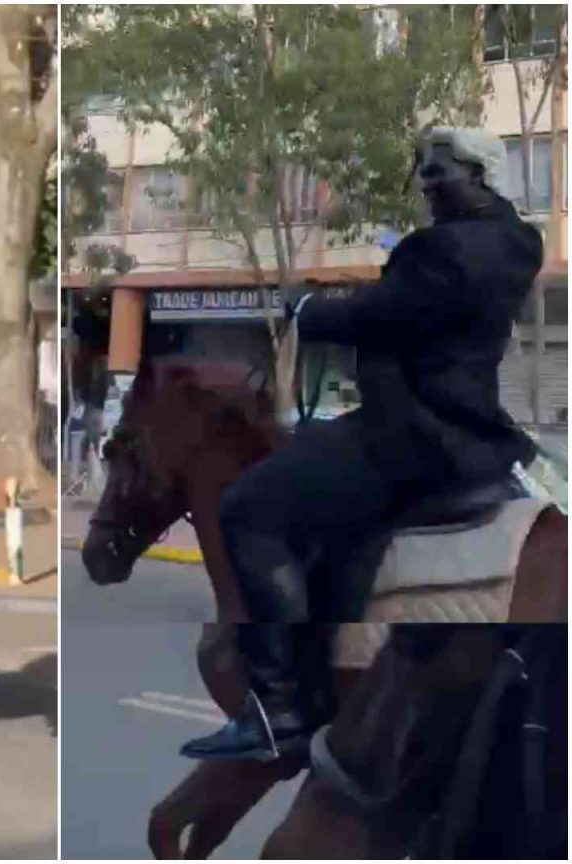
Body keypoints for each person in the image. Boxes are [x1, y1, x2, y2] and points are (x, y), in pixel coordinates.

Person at [181, 127, 542, 762]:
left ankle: (278, 706)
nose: (427, 185)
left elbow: (378, 317)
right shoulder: (519, 241)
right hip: (474, 434)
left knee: (247, 508)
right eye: (424, 172)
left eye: (440, 172)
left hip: (414, 434)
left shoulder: (443, 251)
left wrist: (306, 311)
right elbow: (412, 311)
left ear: (480, 175)